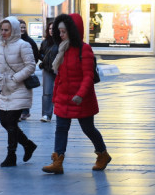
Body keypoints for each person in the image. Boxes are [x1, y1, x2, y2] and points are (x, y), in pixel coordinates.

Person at [42, 13, 111, 174]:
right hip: (64, 98)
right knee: (61, 128)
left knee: (88, 129)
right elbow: (59, 76)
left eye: (64, 32)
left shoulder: (84, 49)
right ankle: (57, 161)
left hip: (82, 99)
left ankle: (103, 154)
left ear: (73, 31)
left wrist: (80, 94)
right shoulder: (62, 49)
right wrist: (55, 96)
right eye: (59, 32)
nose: (61, 35)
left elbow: (88, 76)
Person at [0, 17, 38, 167]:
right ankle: (28, 145)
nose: (3, 32)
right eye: (2, 29)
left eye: (6, 29)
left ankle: (11, 155)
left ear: (13, 30)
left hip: (19, 88)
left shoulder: (23, 45)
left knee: (11, 123)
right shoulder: (1, 45)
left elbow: (31, 66)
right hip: (5, 88)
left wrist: (15, 78)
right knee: (4, 121)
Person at [18, 19, 40, 120]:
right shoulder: (12, 40)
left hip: (26, 70)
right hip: (16, 70)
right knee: (17, 91)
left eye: (24, 27)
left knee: (26, 91)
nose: (22, 29)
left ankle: (25, 111)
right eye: (20, 27)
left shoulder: (30, 41)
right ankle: (18, 111)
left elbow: (36, 55)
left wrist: (30, 66)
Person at [39, 21, 57, 122]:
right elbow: (40, 54)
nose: (51, 31)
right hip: (47, 70)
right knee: (47, 92)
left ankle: (62, 113)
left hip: (59, 70)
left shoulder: (62, 42)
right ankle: (46, 114)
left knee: (61, 92)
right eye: (50, 29)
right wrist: (45, 60)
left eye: (53, 29)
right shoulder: (44, 42)